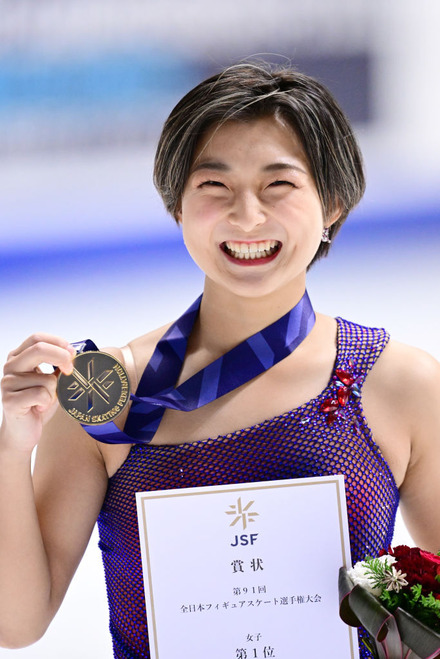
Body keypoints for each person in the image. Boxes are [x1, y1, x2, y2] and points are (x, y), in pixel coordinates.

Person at [0, 62, 439, 659]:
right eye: (215, 186)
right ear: (177, 204)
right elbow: (16, 624)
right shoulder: (106, 394)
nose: (247, 216)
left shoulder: (401, 384)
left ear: (332, 202)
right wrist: (10, 448)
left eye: (278, 185)